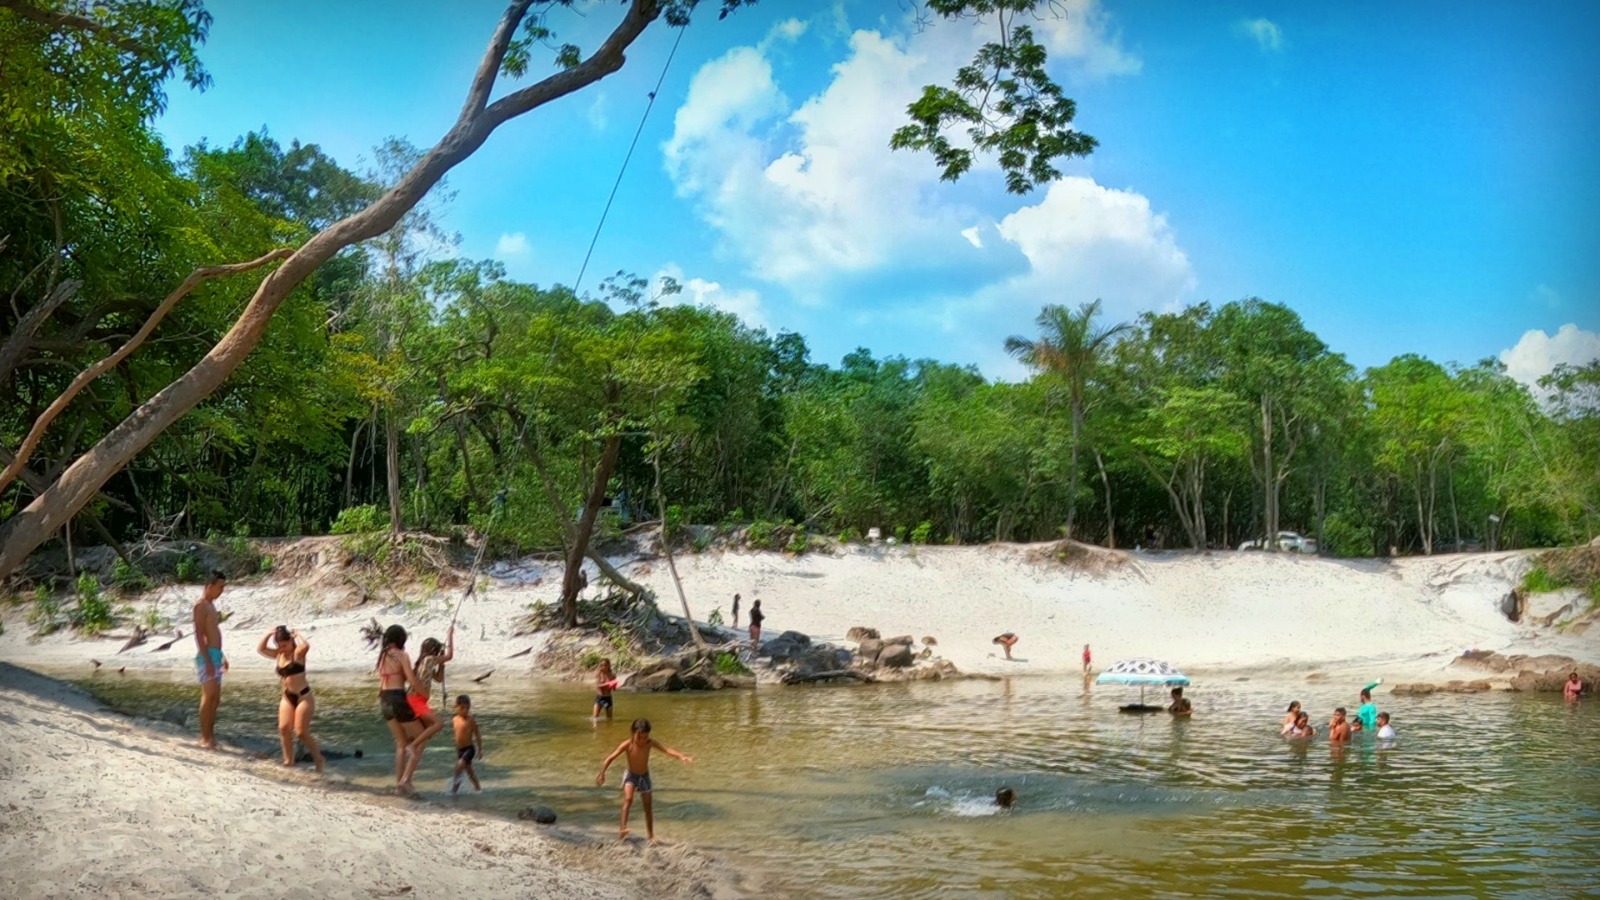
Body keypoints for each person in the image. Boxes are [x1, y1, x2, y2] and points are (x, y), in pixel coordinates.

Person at [596, 718, 693, 843]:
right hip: (631, 776)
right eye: (639, 737)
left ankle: (651, 835)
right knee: (628, 799)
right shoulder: (627, 744)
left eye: (645, 737)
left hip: (644, 777)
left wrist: (681, 756)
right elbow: (610, 758)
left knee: (648, 806)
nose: (642, 740)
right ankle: (622, 829)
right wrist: (602, 773)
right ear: (633, 733)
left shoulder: (650, 743)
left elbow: (666, 750)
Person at [256, 625, 324, 773]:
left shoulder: (298, 653)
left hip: (303, 696)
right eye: (280, 645)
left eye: (285, 645)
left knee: (301, 731)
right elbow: (260, 649)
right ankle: (288, 760)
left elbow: (306, 645)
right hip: (287, 695)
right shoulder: (279, 654)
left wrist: (297, 635)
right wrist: (269, 633)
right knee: (283, 728)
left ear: (291, 641)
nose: (283, 648)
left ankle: (319, 759)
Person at [400, 625, 455, 787]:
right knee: (438, 723)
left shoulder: (423, 662)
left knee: (423, 742)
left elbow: (438, 679)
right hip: (416, 700)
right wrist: (450, 634)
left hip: (415, 700)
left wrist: (442, 665)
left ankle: (406, 779)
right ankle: (412, 745)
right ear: (434, 651)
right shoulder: (429, 660)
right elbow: (450, 655)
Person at [375, 624, 427, 793]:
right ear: (400, 640)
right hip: (397, 698)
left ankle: (400, 783)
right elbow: (411, 680)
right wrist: (424, 693)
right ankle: (406, 780)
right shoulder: (402, 655)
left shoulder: (382, 656)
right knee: (421, 737)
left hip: (384, 700)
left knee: (401, 743)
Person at [191, 571, 228, 750]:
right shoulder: (200, 606)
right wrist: (206, 660)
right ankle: (204, 737)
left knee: (216, 698)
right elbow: (199, 634)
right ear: (209, 586)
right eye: (220, 587)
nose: (222, 590)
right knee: (208, 695)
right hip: (206, 656)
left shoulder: (211, 606)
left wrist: (222, 657)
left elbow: (212, 633)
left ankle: (211, 736)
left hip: (216, 655)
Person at [450, 694, 483, 794]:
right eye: (462, 708)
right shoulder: (454, 719)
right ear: (456, 706)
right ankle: (478, 789)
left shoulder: (471, 721)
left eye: (467, 708)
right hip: (460, 749)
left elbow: (477, 735)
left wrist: (480, 750)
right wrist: (457, 750)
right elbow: (456, 736)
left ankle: (453, 791)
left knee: (459, 767)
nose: (465, 711)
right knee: (469, 771)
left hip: (469, 749)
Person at [593, 658, 618, 723]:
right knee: (595, 717)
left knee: (609, 719)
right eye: (602, 665)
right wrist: (608, 683)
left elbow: (614, 689)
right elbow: (597, 686)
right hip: (600, 697)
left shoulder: (613, 675)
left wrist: (614, 685)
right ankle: (595, 731)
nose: (604, 667)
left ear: (609, 665)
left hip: (608, 698)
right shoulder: (598, 674)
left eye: (605, 665)